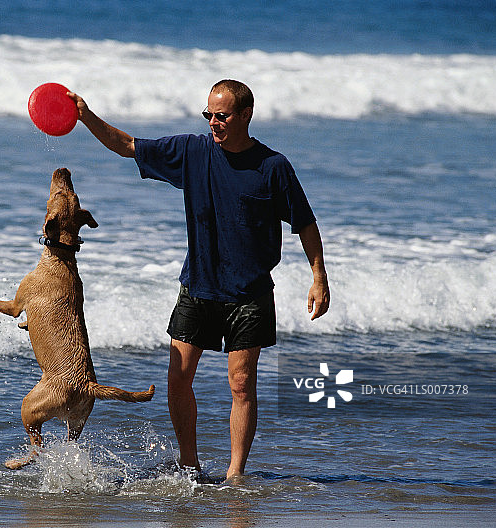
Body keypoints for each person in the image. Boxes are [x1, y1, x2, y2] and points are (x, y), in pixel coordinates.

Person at [67, 80, 330, 480]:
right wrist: (86, 117)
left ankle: (235, 474)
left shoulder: (273, 167)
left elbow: (305, 224)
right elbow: (126, 144)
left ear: (245, 115)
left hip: (250, 294)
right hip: (199, 287)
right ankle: (189, 463)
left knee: (241, 384)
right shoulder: (192, 151)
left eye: (221, 115)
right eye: (208, 114)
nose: (213, 122)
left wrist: (318, 276)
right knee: (178, 377)